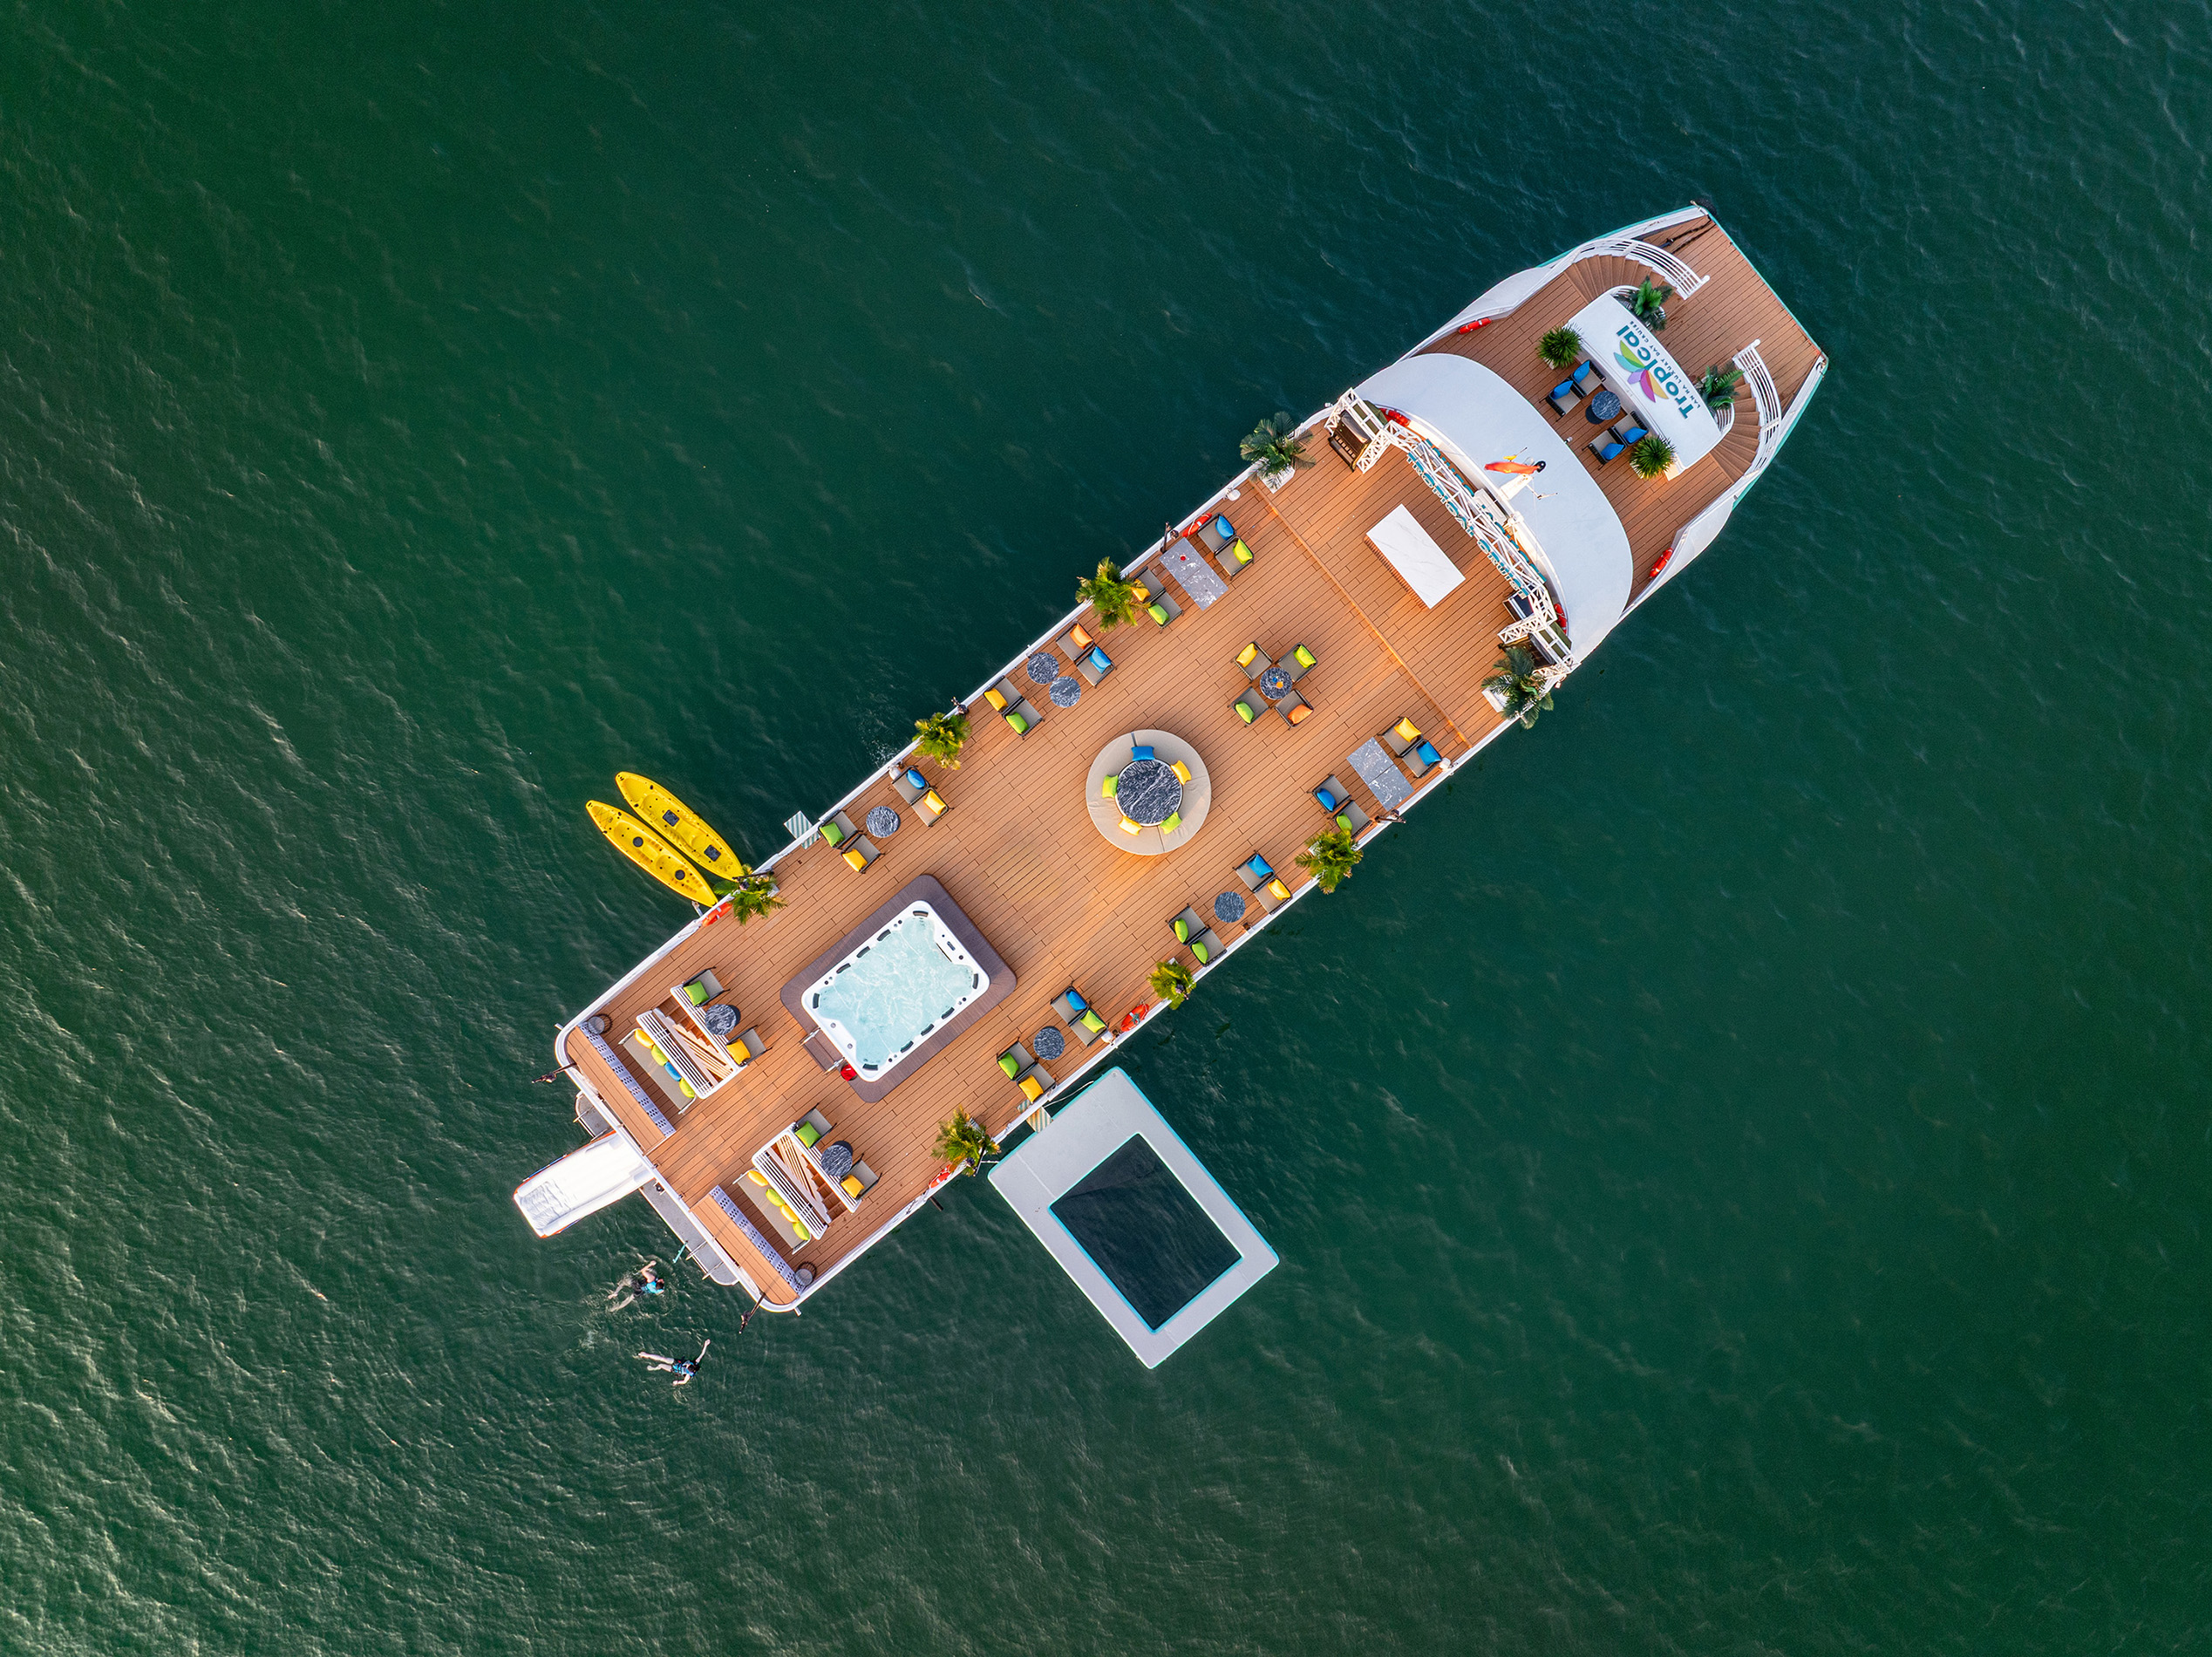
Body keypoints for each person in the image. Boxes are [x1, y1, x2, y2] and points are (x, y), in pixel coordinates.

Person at [636, 1338, 710, 1386]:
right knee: (663, 1359)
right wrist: (705, 1344)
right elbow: (702, 1354)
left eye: (687, 1367)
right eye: (688, 1365)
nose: (686, 1365)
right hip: (677, 1363)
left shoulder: (688, 1375)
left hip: (675, 1370)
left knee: (661, 1365)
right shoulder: (696, 1362)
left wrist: (677, 1382)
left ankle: (654, 1368)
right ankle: (646, 1355)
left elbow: (684, 1382)